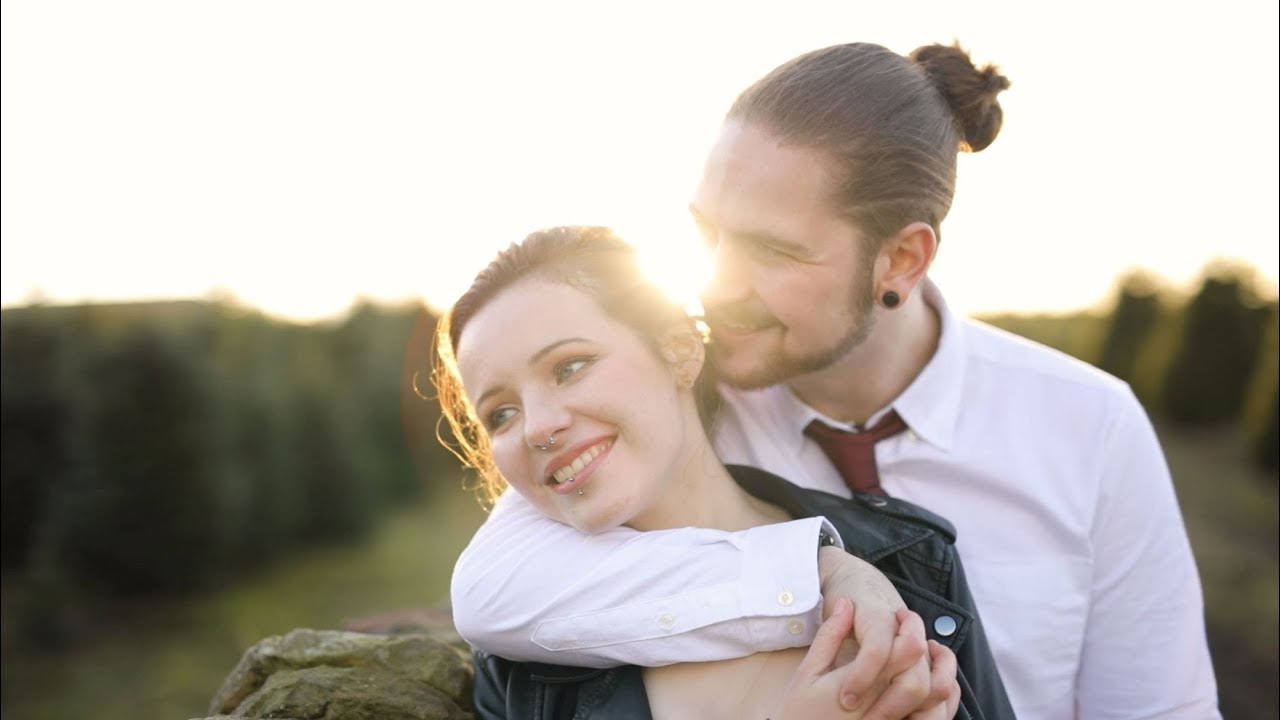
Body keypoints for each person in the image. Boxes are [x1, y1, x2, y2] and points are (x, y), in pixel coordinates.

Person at [450, 41, 1221, 718]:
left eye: (773, 250)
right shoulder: (676, 404)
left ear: (902, 260)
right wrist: (823, 571)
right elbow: (491, 589)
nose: (717, 283)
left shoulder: (1090, 425)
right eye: (707, 233)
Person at [433, 225, 1014, 718]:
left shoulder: (913, 560)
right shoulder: (523, 662)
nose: (537, 427)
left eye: (570, 366)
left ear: (680, 350)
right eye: (501, 414)